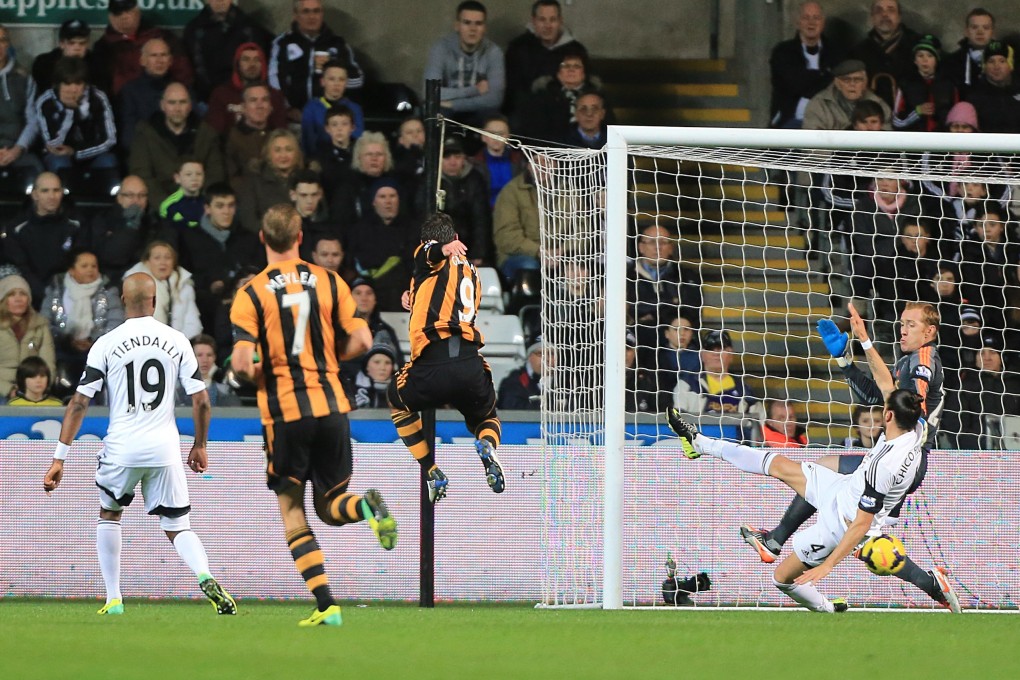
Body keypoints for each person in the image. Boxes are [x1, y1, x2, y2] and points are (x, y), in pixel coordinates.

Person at [230, 203, 395, 627]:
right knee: (331, 504)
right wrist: (326, 360)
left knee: (293, 509)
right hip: (333, 407)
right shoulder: (329, 280)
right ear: (301, 238)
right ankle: (366, 508)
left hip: (286, 411)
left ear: (264, 239)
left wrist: (259, 372)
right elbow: (362, 338)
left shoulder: (250, 293)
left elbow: (243, 364)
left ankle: (327, 605)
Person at [42, 272, 236, 617]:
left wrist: (60, 458)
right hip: (165, 449)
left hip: (122, 447)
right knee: (178, 525)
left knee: (110, 514)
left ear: (121, 300)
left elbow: (79, 403)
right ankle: (204, 574)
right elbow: (202, 401)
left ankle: (114, 598)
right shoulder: (177, 341)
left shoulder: (106, 343)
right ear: (155, 301)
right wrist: (200, 444)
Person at [666, 390, 960, 614]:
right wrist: (865, 341)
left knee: (782, 579)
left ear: (888, 416)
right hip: (841, 489)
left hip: (841, 525)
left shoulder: (882, 466)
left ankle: (829, 608)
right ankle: (700, 443)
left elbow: (861, 524)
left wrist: (828, 566)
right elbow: (888, 385)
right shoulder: (915, 430)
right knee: (778, 464)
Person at [741, 301, 947, 602]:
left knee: (855, 526)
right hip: (892, 455)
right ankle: (932, 586)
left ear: (930, 331)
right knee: (861, 534)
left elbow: (906, 398)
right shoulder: (907, 361)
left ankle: (775, 540)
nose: (902, 329)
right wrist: (844, 361)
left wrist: (864, 341)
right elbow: (876, 395)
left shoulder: (923, 360)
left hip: (905, 459)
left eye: (911, 325)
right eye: (901, 322)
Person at [387, 212, 505, 503]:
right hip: (468, 363)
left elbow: (429, 254)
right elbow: (445, 299)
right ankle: (487, 446)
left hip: (432, 363)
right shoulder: (473, 274)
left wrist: (439, 248)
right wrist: (412, 295)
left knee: (397, 401)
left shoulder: (429, 253)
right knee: (486, 416)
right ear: (456, 238)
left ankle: (431, 471)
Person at [129, 83, 225, 207]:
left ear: (190, 106)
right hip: (159, 209)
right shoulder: (145, 134)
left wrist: (197, 204)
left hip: (199, 207)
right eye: (172, 103)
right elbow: (142, 176)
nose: (177, 108)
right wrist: (168, 206)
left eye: (182, 102)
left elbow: (215, 175)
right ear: (162, 105)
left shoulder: (207, 134)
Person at [40, 249, 125, 390]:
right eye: (84, 266)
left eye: (94, 266)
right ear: (72, 270)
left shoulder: (109, 291)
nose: (90, 270)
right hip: (62, 349)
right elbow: (45, 322)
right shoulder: (56, 290)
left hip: (98, 351)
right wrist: (67, 340)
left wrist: (93, 340)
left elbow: (116, 323)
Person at [269, 0, 365, 120]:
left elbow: (358, 81)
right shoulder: (282, 43)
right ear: (295, 15)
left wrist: (333, 71)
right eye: (306, 11)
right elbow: (273, 81)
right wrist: (287, 109)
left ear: (322, 14)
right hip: (292, 120)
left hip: (330, 121)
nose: (312, 16)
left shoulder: (338, 44)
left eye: (316, 11)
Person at [1, 172, 86, 306]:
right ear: (35, 194)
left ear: (62, 193)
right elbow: (21, 266)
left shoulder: (77, 224)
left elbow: (80, 262)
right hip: (29, 296)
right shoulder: (17, 227)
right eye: (45, 191)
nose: (51, 196)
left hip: (69, 295)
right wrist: (43, 294)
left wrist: (61, 293)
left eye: (56, 190)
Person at [34, 57, 118, 186]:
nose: (73, 89)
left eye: (78, 84)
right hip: (60, 155)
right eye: (67, 84)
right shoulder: (46, 101)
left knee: (108, 161)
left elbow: (110, 139)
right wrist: (69, 111)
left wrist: (77, 152)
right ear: (58, 84)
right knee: (59, 162)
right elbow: (52, 145)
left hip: (92, 152)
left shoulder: (98, 97)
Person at [89, 0, 193, 96]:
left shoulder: (161, 36)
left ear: (138, 12)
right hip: (122, 106)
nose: (124, 17)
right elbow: (100, 86)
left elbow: (183, 72)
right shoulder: (103, 47)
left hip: (165, 101)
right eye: (118, 13)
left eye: (128, 11)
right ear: (111, 17)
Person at [673, 329, 760, 443]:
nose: (715, 354)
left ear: (730, 354)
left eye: (720, 349)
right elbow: (678, 421)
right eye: (710, 349)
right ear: (702, 355)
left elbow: (758, 428)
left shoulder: (745, 392)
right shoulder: (687, 386)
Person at [503, 0, 588, 116]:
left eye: (552, 20)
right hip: (529, 112)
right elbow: (512, 92)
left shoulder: (576, 50)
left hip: (569, 111)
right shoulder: (518, 48)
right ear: (533, 21)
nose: (548, 26)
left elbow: (588, 85)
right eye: (542, 19)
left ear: (560, 21)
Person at [424, 1, 505, 121]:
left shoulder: (493, 52)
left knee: (493, 118)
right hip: (446, 112)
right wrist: (474, 90)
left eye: (478, 23)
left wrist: (453, 104)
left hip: (477, 110)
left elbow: (495, 99)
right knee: (435, 115)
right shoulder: (441, 48)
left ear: (485, 28)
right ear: (457, 25)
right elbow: (430, 92)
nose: (473, 29)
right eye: (467, 23)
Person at [346, 178, 417, 311]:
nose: (388, 202)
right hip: (369, 294)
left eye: (392, 196)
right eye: (382, 197)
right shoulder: (360, 230)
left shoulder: (413, 229)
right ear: (373, 201)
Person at [768, 1, 842, 129]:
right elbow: (795, 83)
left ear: (823, 22)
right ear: (798, 22)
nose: (811, 23)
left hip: (829, 121)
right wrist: (824, 75)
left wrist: (808, 78)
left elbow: (838, 86)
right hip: (791, 120)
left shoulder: (835, 51)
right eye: (806, 18)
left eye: (816, 18)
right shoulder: (783, 51)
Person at [182, 0, 273, 102]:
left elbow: (260, 66)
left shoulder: (251, 28)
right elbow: (194, 67)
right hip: (207, 99)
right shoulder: (193, 30)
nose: (220, 1)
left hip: (246, 97)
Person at [86, 175, 159, 284]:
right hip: (110, 282)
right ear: (119, 198)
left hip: (145, 281)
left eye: (142, 195)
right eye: (130, 195)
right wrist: (130, 226)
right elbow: (111, 258)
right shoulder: (103, 219)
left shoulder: (154, 222)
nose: (136, 201)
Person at [849, 0, 922, 107]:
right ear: (872, 17)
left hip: (913, 114)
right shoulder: (857, 53)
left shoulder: (919, 45)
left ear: (899, 17)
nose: (884, 14)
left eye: (891, 10)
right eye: (879, 11)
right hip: (872, 117)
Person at [124, 240, 203, 340]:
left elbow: (192, 322)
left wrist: (178, 344)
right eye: (157, 258)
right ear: (147, 262)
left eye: (168, 258)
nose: (163, 262)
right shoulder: (135, 286)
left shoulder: (184, 286)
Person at [205, 42, 289, 135]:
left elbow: (281, 133)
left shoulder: (275, 96)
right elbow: (213, 133)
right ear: (237, 64)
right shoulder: (221, 94)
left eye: (257, 59)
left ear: (263, 64)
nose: (252, 64)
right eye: (246, 59)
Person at [237, 128, 305, 234]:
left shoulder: (307, 178)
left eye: (288, 149)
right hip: (266, 240)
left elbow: (319, 215)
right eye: (277, 150)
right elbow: (248, 220)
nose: (283, 155)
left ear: (297, 153)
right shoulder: (254, 181)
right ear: (268, 154)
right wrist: (276, 235)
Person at [0, 274, 56, 398]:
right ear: (3, 299)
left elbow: (48, 364)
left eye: (23, 294)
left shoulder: (40, 325)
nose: (18, 299)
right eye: (12, 294)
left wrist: (41, 389)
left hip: (34, 389)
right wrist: (8, 390)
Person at [0, 23, 42, 187]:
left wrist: (17, 149)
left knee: (38, 173)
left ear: (8, 44)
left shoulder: (24, 77)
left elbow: (33, 120)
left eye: (2, 40)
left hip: (17, 150)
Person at [891, 34, 958, 132]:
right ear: (915, 60)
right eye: (920, 56)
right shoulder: (906, 84)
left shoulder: (949, 85)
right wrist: (917, 112)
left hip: (942, 141)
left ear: (936, 60)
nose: (925, 60)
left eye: (930, 56)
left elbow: (957, 119)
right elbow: (896, 122)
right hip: (914, 141)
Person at [803, 58, 891, 131]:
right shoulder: (819, 104)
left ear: (865, 83)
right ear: (837, 83)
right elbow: (811, 142)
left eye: (857, 79)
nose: (852, 84)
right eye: (846, 80)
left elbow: (888, 140)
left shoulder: (878, 104)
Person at [116, 37, 173, 148]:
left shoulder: (182, 90)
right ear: (142, 60)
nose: (159, 60)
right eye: (153, 55)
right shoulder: (129, 91)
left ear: (170, 60)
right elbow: (128, 133)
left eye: (163, 55)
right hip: (142, 152)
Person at [299, 60, 364, 156]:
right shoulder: (311, 108)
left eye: (341, 79)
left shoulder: (355, 109)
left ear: (346, 82)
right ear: (322, 81)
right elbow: (308, 140)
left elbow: (358, 138)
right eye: (332, 79)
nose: (336, 84)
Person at [224, 83, 281, 189]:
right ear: (243, 107)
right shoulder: (231, 138)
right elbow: (231, 178)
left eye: (264, 100)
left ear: (270, 107)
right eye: (253, 100)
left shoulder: (279, 136)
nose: (260, 106)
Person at [469, 114, 524, 208]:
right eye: (491, 133)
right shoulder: (472, 164)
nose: (496, 138)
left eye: (501, 133)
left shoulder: (520, 162)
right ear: (483, 137)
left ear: (508, 137)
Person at [965, 40, 1020, 135]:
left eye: (1002, 61)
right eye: (991, 61)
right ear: (984, 67)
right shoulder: (974, 99)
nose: (996, 66)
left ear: (1010, 65)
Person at [176, 334, 240, 407]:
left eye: (209, 355)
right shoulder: (176, 392)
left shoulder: (225, 392)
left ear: (214, 358)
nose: (205, 360)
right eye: (199, 355)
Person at [945, 8, 996, 96]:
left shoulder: (1007, 59)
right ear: (966, 31)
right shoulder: (951, 62)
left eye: (986, 28)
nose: (980, 32)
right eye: (974, 27)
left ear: (993, 32)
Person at [497, 338, 545, 410]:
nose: (546, 358)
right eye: (540, 354)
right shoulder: (513, 382)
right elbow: (510, 408)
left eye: (552, 354)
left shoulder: (565, 383)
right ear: (530, 357)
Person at [159, 159, 205, 229]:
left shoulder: (209, 201)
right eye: (188, 174)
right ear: (177, 178)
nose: (194, 178)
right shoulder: (169, 205)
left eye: (198, 174)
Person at [353, 343, 398, 409]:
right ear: (366, 366)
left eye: (387, 363)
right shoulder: (352, 390)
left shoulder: (401, 392)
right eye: (377, 362)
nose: (382, 368)